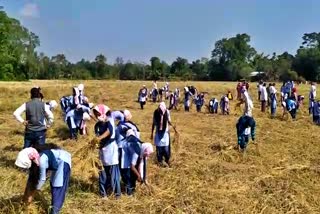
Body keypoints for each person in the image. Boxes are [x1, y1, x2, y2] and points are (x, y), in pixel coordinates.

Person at [15, 144, 71, 214]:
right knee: (52, 183)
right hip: (54, 161)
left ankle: (55, 211)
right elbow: (33, 179)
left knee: (57, 187)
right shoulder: (36, 157)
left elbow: (42, 179)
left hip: (63, 161)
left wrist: (37, 189)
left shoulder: (41, 160)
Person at [93, 104, 121, 199]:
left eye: (98, 113)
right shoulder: (97, 125)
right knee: (102, 173)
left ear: (102, 112)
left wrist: (99, 138)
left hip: (111, 150)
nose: (96, 115)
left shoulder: (110, 121)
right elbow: (96, 137)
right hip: (102, 151)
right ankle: (103, 194)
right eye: (95, 114)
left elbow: (109, 131)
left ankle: (116, 195)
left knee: (114, 174)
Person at [150, 102, 176, 167]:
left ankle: (167, 160)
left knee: (166, 150)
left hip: (165, 134)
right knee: (159, 149)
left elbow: (168, 120)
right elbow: (153, 123)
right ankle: (160, 162)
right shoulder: (156, 112)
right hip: (158, 133)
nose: (161, 112)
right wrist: (152, 133)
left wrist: (173, 127)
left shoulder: (167, 112)